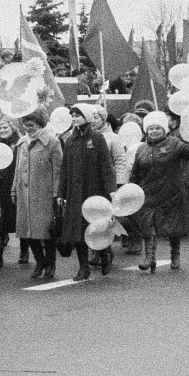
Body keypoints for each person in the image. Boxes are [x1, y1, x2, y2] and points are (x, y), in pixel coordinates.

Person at [56, 104, 117, 281]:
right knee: (77, 233)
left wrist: (111, 190)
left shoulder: (97, 138)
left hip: (94, 192)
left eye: (78, 115)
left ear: (87, 117)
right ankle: (84, 267)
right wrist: (61, 193)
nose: (74, 118)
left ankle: (105, 253)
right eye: (73, 115)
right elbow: (65, 169)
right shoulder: (70, 141)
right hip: (75, 194)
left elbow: (106, 167)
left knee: (96, 228)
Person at [128, 111, 189, 272]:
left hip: (171, 192)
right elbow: (135, 174)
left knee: (173, 227)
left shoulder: (174, 143)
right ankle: (149, 257)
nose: (154, 131)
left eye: (158, 128)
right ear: (146, 130)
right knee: (148, 226)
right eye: (151, 128)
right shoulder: (141, 149)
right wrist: (131, 190)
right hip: (148, 194)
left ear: (164, 129)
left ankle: (175, 254)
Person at [13, 110, 62, 279]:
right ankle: (39, 261)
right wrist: (14, 189)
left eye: (31, 125)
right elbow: (17, 170)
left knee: (46, 232)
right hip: (24, 194)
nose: (28, 129)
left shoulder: (52, 142)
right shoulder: (21, 143)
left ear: (40, 124)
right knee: (27, 231)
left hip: (44, 194)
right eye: (25, 125)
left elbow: (58, 170)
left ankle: (51, 264)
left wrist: (57, 194)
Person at [0, 118, 19, 269]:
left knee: (16, 220)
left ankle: (25, 252)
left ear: (13, 128)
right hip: (0, 186)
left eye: (5, 127)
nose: (2, 130)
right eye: (0, 128)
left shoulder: (18, 144)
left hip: (13, 185)